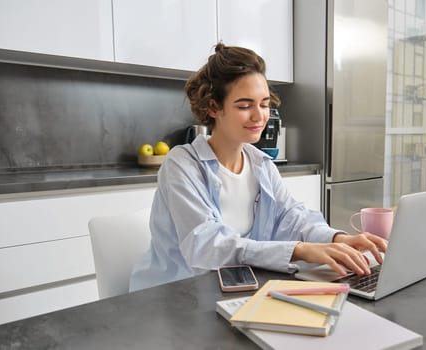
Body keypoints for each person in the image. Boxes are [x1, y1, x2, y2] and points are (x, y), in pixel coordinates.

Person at [129, 43, 387, 291]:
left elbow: (292, 217)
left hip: (232, 289)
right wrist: (299, 250)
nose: (259, 116)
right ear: (213, 107)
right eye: (244, 105)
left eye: (264, 104)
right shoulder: (182, 164)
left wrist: (337, 238)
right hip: (174, 296)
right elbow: (206, 245)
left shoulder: (261, 163)